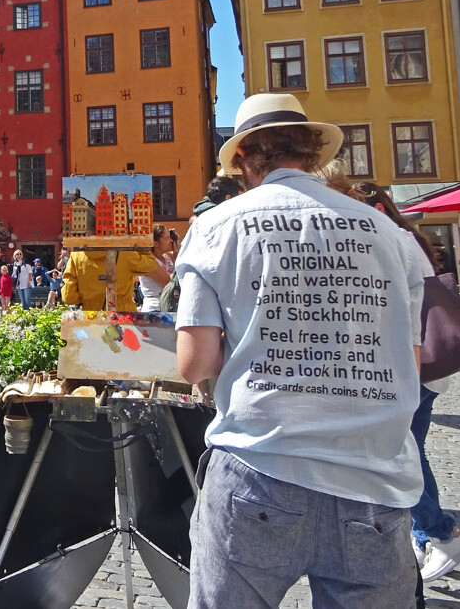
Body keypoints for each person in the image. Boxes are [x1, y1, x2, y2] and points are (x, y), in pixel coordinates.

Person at [176, 92, 424, 609]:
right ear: (313, 152)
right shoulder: (391, 235)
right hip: (373, 477)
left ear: (243, 158)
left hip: (260, 464)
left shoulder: (217, 225)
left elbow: (195, 362)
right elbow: (411, 363)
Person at [349, 180, 460, 583]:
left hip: (412, 363)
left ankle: (442, 533)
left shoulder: (394, 240)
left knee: (395, 454)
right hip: (422, 366)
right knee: (409, 451)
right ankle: (428, 537)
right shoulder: (407, 237)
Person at [61, 248, 164, 311]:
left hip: (91, 318)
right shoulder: (126, 253)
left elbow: (69, 297)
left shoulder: (77, 255)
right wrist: (140, 245)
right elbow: (150, 265)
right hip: (123, 316)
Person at [137, 225, 177, 313]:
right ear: (155, 243)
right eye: (167, 238)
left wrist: (176, 249)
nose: (171, 241)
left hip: (170, 305)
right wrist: (176, 255)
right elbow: (169, 282)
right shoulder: (148, 261)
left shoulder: (168, 257)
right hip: (155, 309)